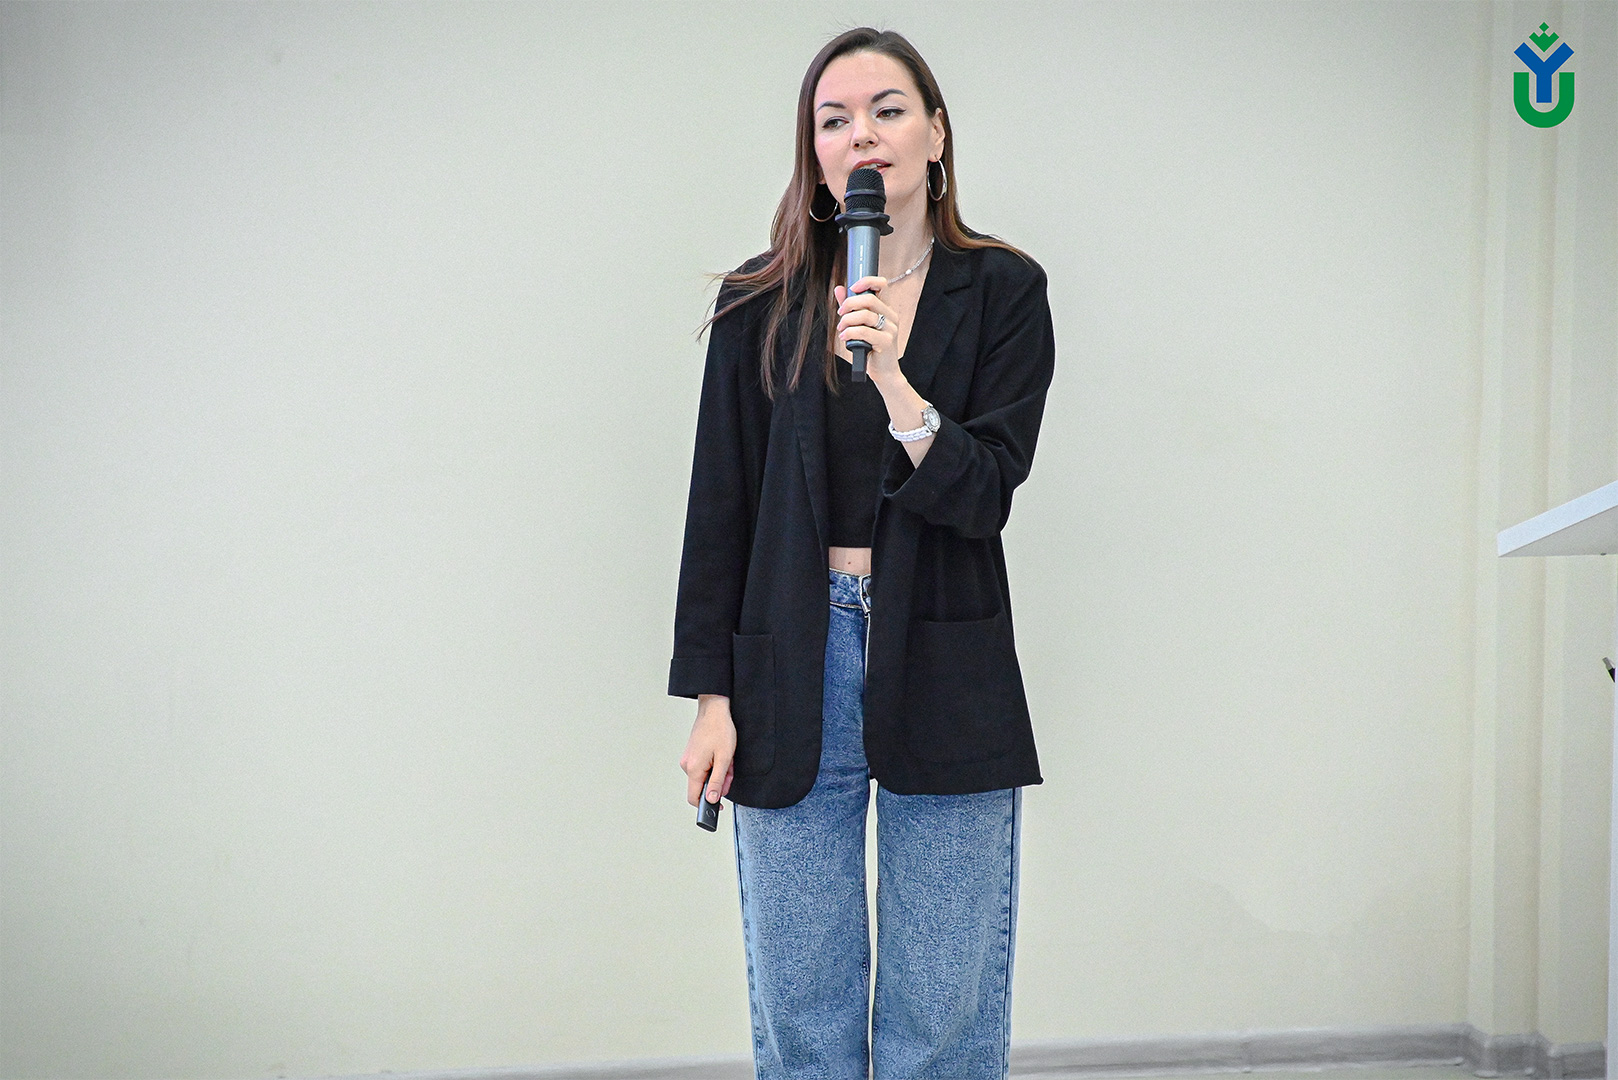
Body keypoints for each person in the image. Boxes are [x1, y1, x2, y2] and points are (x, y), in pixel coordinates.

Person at [669, 26, 1055, 1080]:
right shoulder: (759, 301)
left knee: (943, 1007)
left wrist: (893, 382)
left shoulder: (1005, 289)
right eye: (833, 120)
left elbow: (985, 493)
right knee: (804, 1004)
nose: (862, 136)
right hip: (787, 655)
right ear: (815, 151)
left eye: (887, 110)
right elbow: (719, 511)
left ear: (936, 132)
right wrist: (711, 697)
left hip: (944, 651)